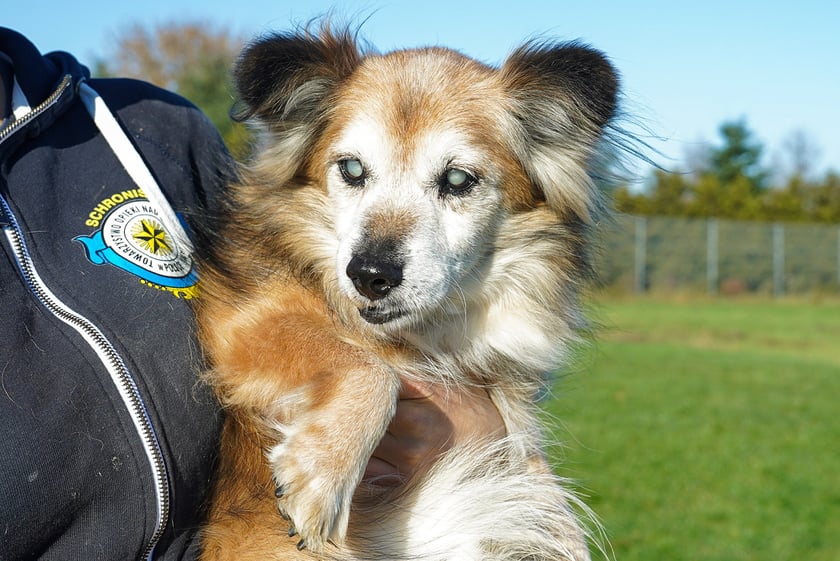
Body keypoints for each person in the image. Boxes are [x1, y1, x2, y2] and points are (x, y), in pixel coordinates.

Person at [0, 27, 504, 560]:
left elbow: (255, 300)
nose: (372, 260)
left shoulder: (154, 131)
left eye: (455, 181)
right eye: (352, 171)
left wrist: (478, 429)